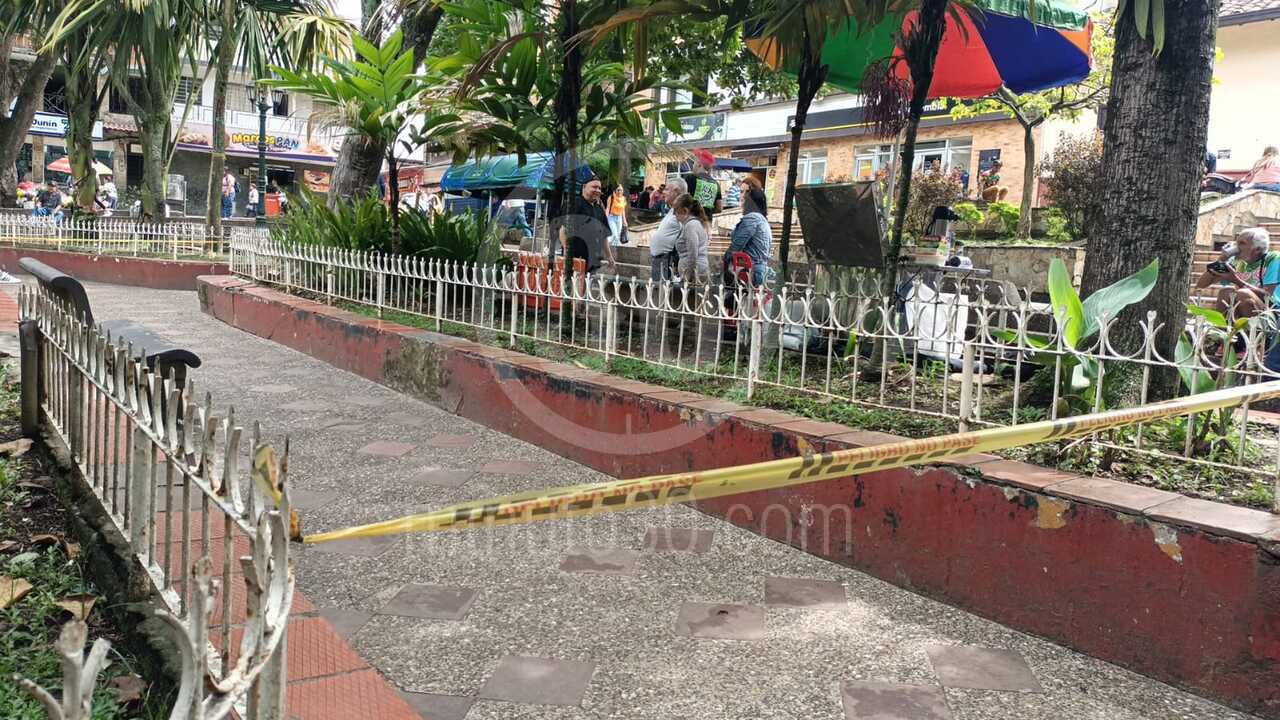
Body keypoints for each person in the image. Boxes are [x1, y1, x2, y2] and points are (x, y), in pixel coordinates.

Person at [559, 175, 615, 277]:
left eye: (599, 188)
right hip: (576, 259)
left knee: (587, 285)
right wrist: (567, 252)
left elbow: (604, 236)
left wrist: (609, 257)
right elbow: (563, 230)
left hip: (593, 260)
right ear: (584, 187)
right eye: (594, 187)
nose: (597, 190)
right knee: (574, 285)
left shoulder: (599, 209)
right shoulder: (574, 204)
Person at [725, 186, 772, 286]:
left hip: (750, 272)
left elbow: (737, 244)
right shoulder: (762, 220)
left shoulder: (752, 218)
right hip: (760, 270)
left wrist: (725, 260)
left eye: (745, 199)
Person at [647, 178, 687, 282]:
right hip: (660, 260)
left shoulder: (682, 210)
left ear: (676, 191)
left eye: (667, 189)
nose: (664, 192)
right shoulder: (673, 210)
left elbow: (687, 234)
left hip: (667, 261)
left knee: (664, 290)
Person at [673, 193, 711, 285]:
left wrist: (688, 276)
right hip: (698, 270)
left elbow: (693, 253)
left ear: (685, 210)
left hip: (694, 274)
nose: (674, 214)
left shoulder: (690, 226)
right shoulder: (696, 223)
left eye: (676, 210)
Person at [683, 148, 723, 218]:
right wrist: (707, 211)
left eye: (694, 163)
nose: (693, 166)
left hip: (692, 221)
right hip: (707, 222)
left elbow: (682, 201)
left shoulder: (691, 178)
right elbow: (719, 208)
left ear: (699, 164)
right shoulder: (716, 184)